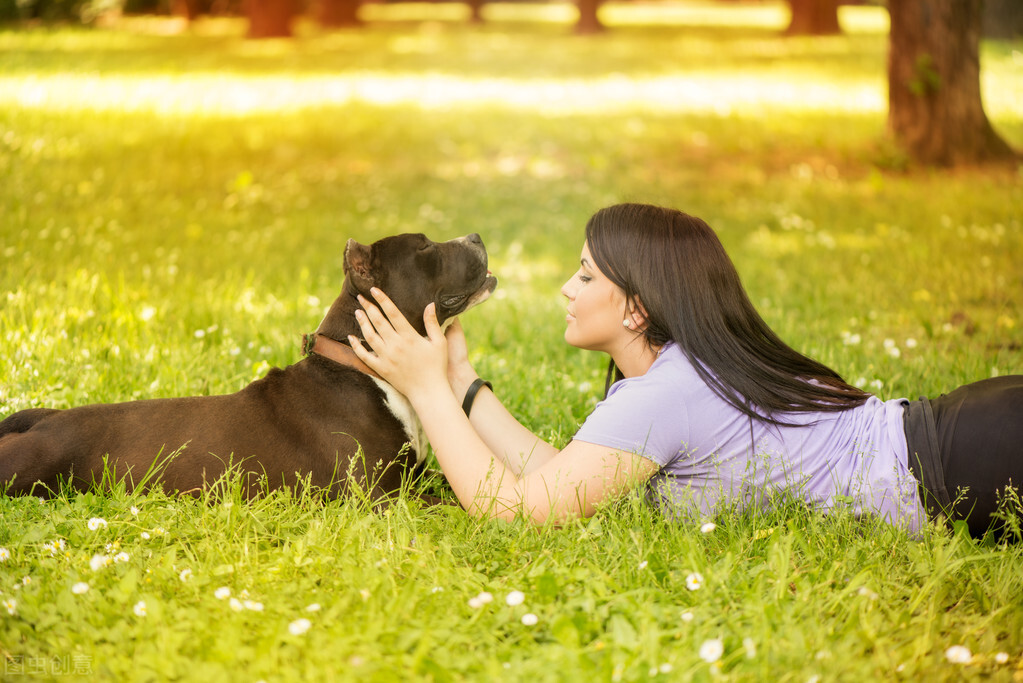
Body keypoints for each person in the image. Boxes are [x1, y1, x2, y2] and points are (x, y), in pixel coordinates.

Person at [349, 203, 1023, 538]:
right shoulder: (671, 379)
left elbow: (522, 512)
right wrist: (461, 383)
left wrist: (425, 389)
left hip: (967, 462)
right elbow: (562, 479)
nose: (565, 288)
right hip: (966, 438)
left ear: (637, 309)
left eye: (585, 274)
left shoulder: (667, 391)